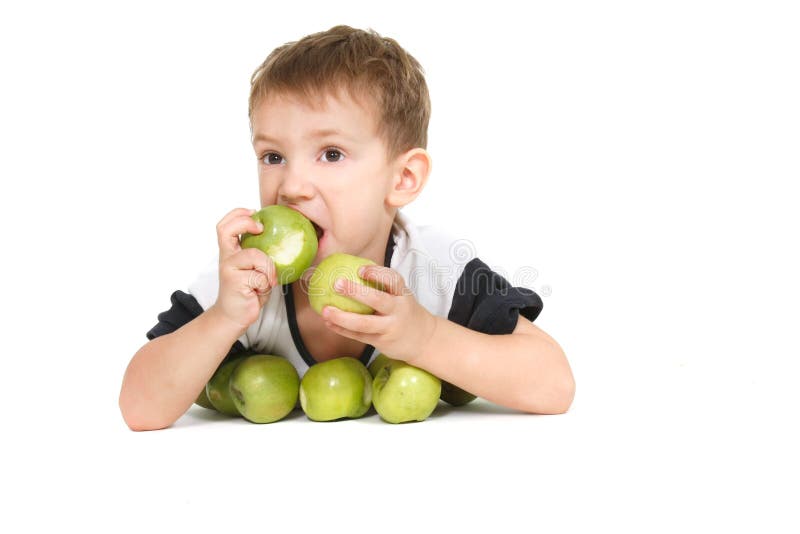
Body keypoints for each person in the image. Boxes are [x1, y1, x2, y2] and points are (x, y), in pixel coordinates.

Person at [119, 25, 575, 431]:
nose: (291, 186)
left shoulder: (435, 271)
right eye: (272, 157)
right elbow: (139, 408)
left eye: (331, 154)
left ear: (402, 179)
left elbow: (554, 384)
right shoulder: (244, 283)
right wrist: (222, 319)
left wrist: (425, 337)